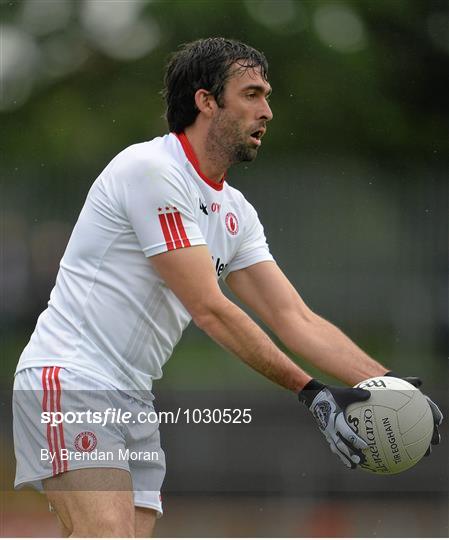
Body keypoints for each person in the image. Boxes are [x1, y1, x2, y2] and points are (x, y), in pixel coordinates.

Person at [13, 37, 443, 538]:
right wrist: (313, 393)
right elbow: (209, 309)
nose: (268, 111)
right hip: (71, 378)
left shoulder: (235, 212)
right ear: (206, 100)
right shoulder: (152, 170)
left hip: (133, 396)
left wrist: (385, 383)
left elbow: (294, 319)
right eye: (253, 94)